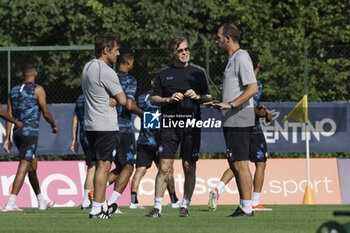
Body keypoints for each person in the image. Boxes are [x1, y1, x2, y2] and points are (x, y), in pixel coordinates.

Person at [145, 36, 212, 218]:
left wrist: (197, 96)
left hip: (191, 126)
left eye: (186, 49)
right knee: (164, 167)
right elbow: (153, 99)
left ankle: (185, 206)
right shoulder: (163, 73)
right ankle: (157, 208)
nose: (185, 53)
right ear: (172, 53)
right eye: (180, 50)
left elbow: (209, 98)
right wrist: (168, 99)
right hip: (169, 126)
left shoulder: (198, 72)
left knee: (189, 166)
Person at [208, 52, 273, 212]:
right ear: (257, 65)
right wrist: (266, 114)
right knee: (260, 164)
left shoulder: (233, 81)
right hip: (252, 128)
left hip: (235, 124)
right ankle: (254, 202)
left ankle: (217, 189)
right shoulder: (254, 84)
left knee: (238, 162)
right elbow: (254, 110)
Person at [205, 24, 258, 217]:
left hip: (240, 116)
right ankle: (244, 205)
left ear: (227, 38)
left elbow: (253, 88)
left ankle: (247, 207)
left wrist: (232, 104)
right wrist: (221, 103)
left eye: (218, 37)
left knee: (240, 162)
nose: (216, 41)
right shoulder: (232, 59)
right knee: (235, 162)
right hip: (231, 117)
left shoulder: (242, 57)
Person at [1, 62, 57, 212]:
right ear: (36, 74)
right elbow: (45, 112)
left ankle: (41, 200)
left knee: (32, 166)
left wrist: (7, 138)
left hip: (17, 133)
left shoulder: (12, 90)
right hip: (30, 132)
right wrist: (53, 125)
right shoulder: (38, 89)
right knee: (25, 164)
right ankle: (10, 203)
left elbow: (9, 115)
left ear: (21, 75)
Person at [82, 34, 126, 219]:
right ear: (106, 50)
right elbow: (122, 99)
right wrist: (115, 100)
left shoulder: (87, 67)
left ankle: (98, 207)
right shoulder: (106, 71)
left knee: (98, 166)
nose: (118, 54)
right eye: (115, 50)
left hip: (90, 124)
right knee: (103, 167)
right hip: (106, 126)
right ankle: (97, 208)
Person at [129, 78, 182, 209]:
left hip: (144, 140)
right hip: (160, 141)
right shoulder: (165, 98)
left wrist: (143, 114)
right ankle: (174, 199)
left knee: (140, 170)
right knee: (167, 170)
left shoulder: (142, 98)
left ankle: (133, 201)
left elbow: (134, 108)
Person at [105, 48, 141, 208]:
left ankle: (95, 192)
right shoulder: (130, 80)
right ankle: (112, 203)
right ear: (127, 62)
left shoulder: (107, 77)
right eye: (132, 63)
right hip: (124, 128)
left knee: (115, 166)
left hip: (106, 127)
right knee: (128, 166)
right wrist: (142, 113)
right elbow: (129, 104)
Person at [70, 94, 96, 210]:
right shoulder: (97, 95)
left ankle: (91, 199)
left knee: (92, 167)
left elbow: (75, 119)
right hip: (95, 134)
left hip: (83, 135)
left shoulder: (80, 98)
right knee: (94, 168)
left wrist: (74, 139)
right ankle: (87, 200)